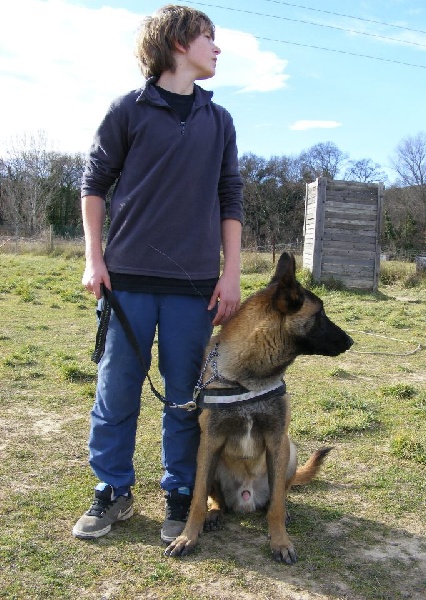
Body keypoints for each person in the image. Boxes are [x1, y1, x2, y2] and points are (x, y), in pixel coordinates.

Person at [72, 4, 243, 544]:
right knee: (116, 389)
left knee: (185, 398)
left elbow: (229, 197)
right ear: (176, 43)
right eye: (208, 37)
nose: (217, 48)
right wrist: (93, 258)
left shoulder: (220, 121)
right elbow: (94, 184)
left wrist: (231, 272)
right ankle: (113, 490)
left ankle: (178, 493)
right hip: (126, 282)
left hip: (194, 286)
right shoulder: (129, 110)